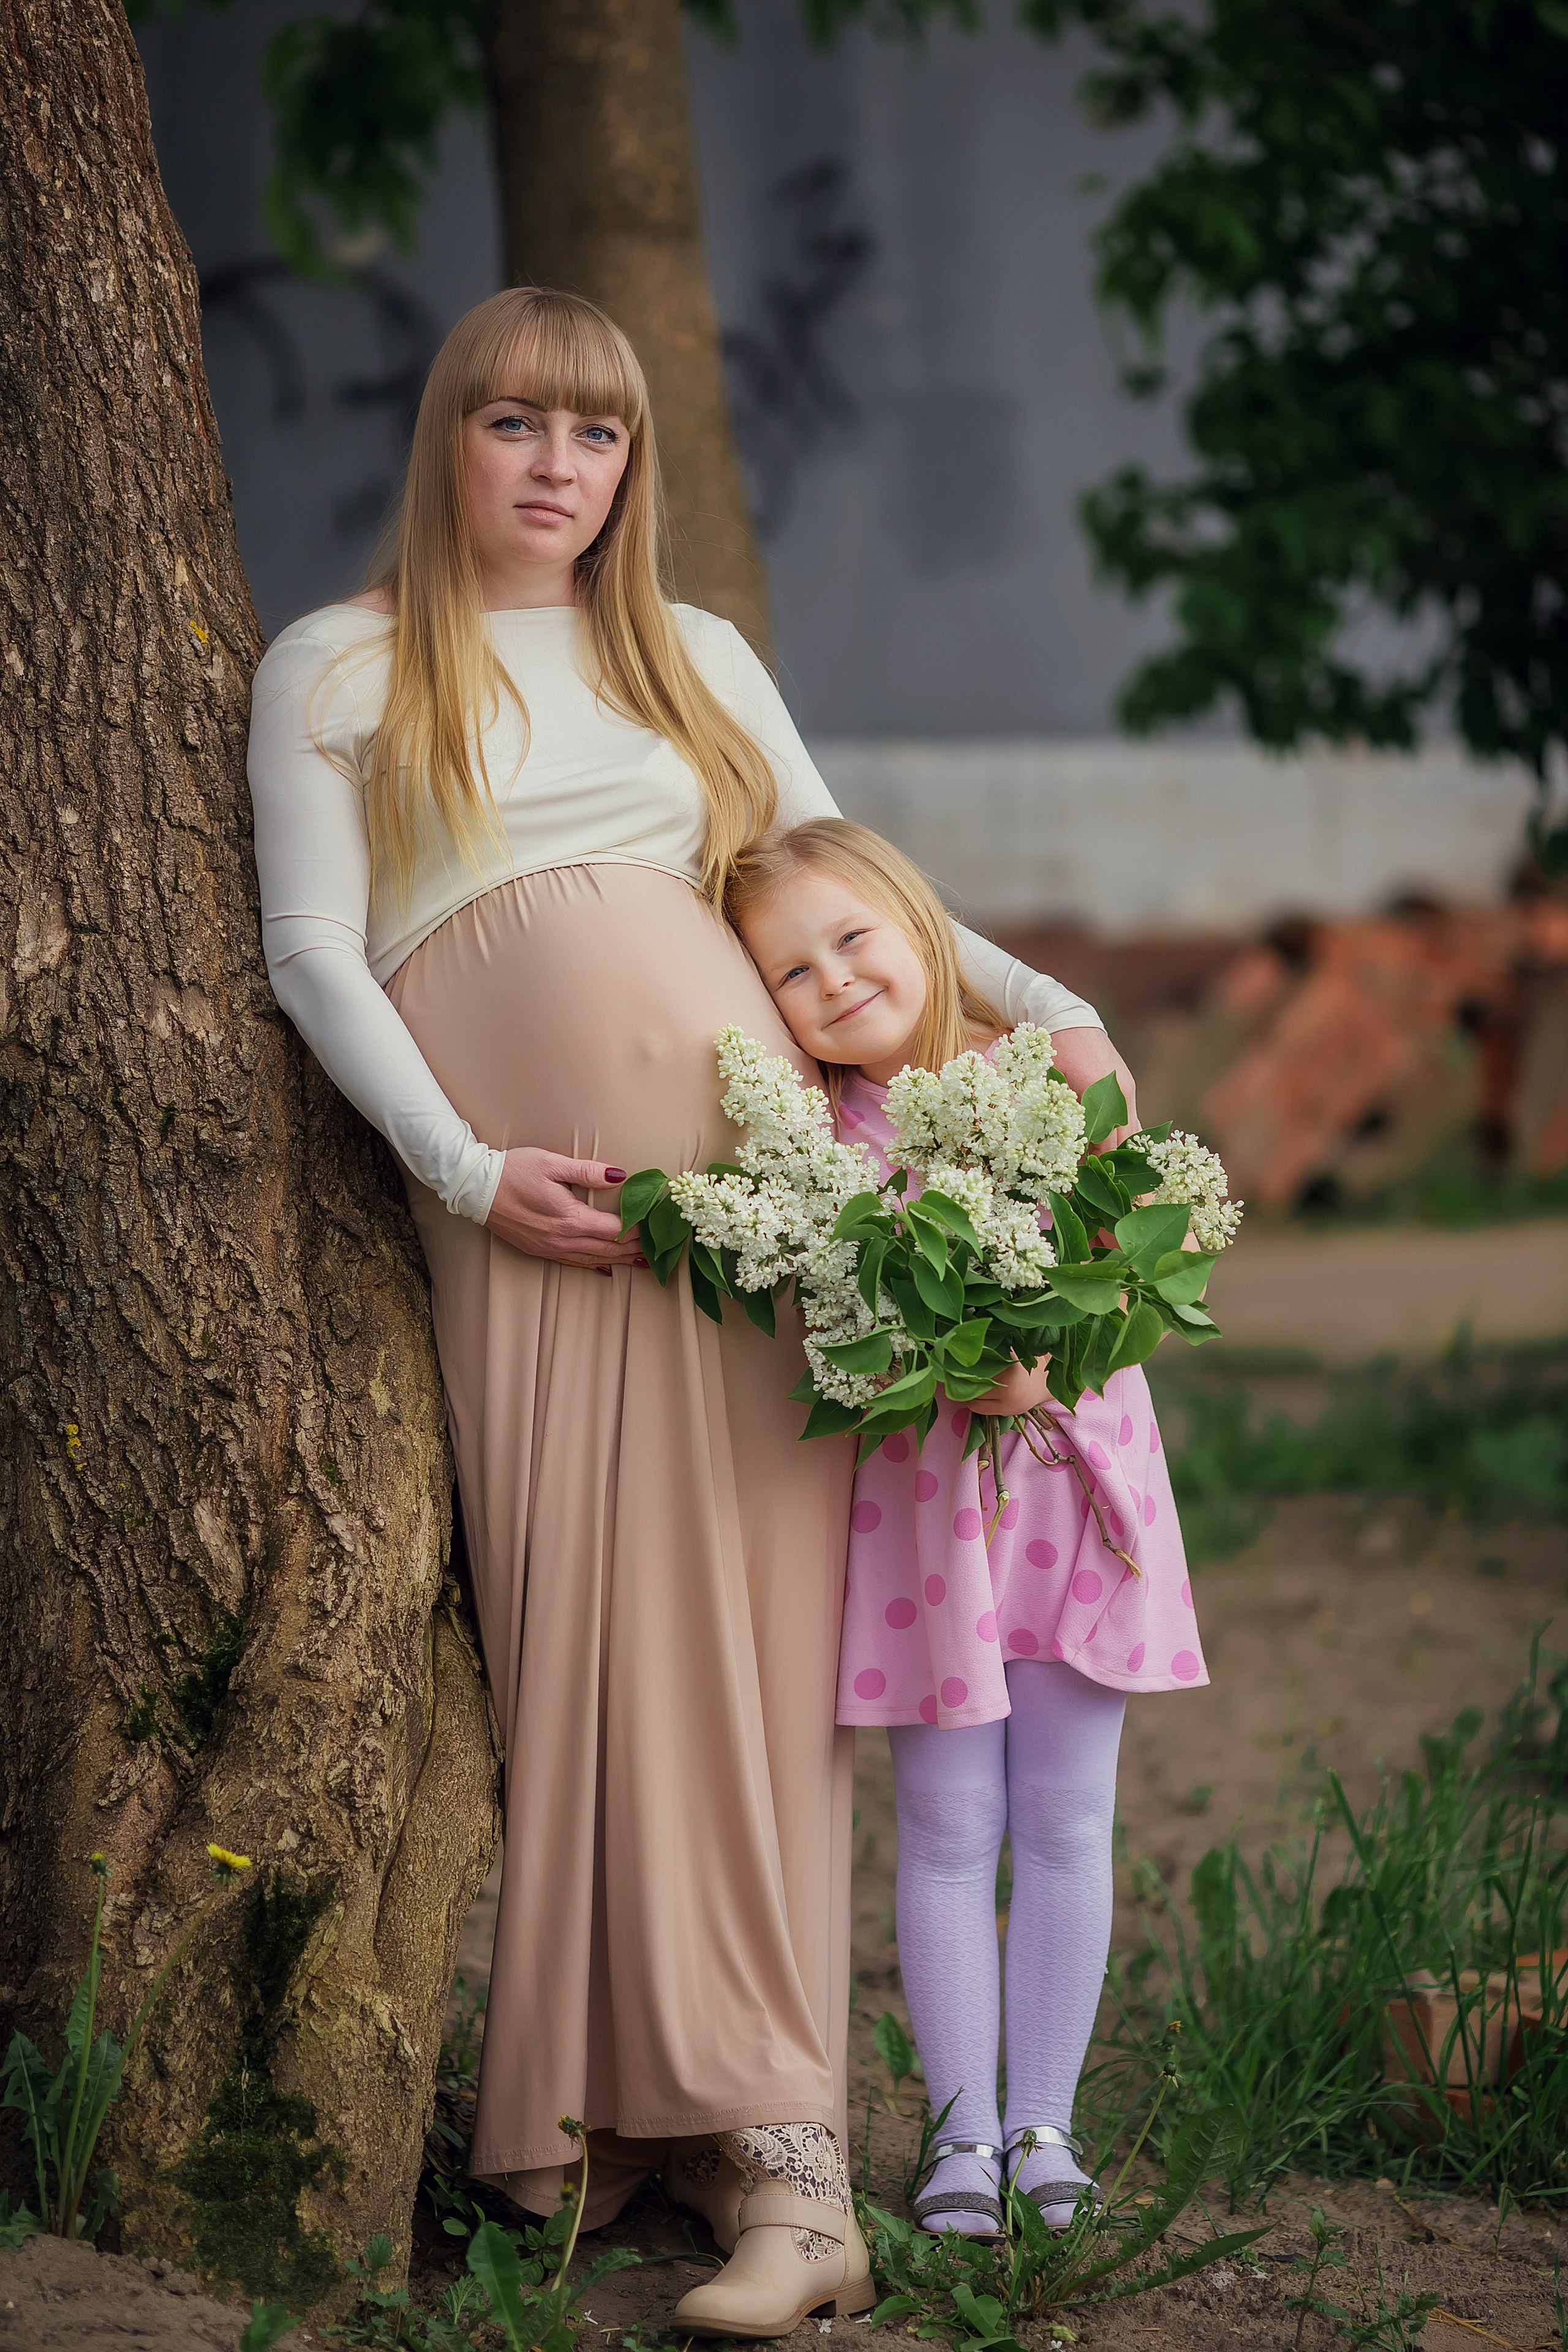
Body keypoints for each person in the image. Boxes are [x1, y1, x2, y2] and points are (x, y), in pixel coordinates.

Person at [246, 285, 1137, 2332]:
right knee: (581, 1657)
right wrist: (463, 1170)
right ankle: (600, 2129)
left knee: (745, 1669)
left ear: (633, 468)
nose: (560, 466)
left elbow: (855, 895)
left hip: (766, 1233)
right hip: (541, 1220)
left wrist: (1051, 1006)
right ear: (448, 437)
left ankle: (789, 2175)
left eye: (599, 434)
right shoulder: (342, 666)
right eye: (518, 424)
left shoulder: (694, 660)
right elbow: (311, 954)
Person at [728, 818, 1207, 2241]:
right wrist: (931, 1361)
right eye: (790, 973)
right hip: (929, 1526)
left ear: (917, 921)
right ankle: (953, 2142)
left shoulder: (1051, 1072)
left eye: (851, 936)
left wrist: (1042, 1366)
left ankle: (1043, 2126)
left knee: (1064, 1819)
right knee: (944, 1827)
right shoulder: (815, 1140)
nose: (833, 979)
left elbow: (1150, 1265)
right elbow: (832, 1326)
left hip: (1078, 1497)